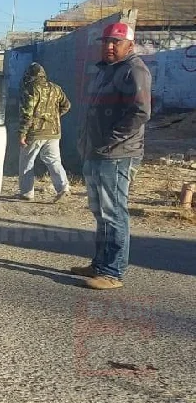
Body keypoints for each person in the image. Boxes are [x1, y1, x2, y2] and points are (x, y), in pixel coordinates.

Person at [72, 22, 152, 290]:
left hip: (117, 154)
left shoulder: (133, 70)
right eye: (105, 41)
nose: (108, 46)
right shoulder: (106, 70)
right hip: (97, 151)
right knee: (100, 212)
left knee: (114, 212)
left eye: (115, 42)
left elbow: (140, 112)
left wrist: (110, 141)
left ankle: (112, 272)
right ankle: (99, 264)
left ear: (130, 45)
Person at [15, 62, 72, 202]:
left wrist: (22, 133)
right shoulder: (56, 88)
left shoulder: (31, 88)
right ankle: (63, 187)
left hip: (34, 132)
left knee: (27, 161)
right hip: (54, 131)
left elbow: (27, 113)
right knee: (53, 160)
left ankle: (27, 192)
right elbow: (67, 105)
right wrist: (54, 117)